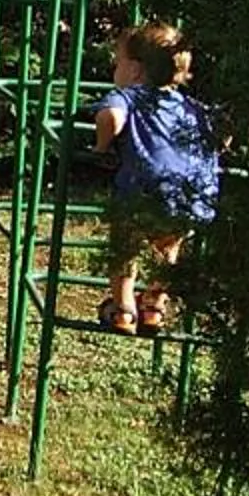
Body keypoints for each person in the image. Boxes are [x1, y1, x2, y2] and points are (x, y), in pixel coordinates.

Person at [92, 19, 223, 334]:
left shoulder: (130, 97)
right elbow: (220, 130)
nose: (115, 71)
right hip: (194, 196)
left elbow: (111, 116)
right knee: (169, 243)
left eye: (118, 63)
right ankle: (153, 306)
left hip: (145, 192)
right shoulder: (192, 106)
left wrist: (101, 144)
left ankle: (123, 309)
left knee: (125, 242)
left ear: (135, 71)